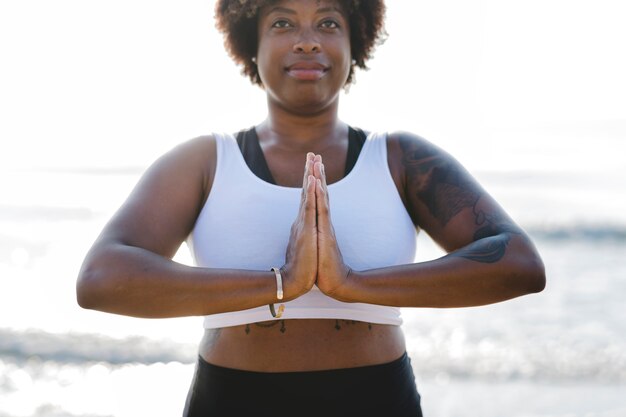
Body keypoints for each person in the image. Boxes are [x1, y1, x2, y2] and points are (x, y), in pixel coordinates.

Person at [76, 0, 546, 416]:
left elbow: (519, 262)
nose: (306, 42)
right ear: (250, 47)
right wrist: (280, 283)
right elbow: (100, 279)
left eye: (327, 22)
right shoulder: (204, 161)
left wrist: (352, 284)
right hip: (232, 400)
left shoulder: (402, 158)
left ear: (355, 40)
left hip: (376, 400)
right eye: (282, 23)